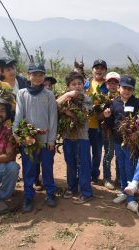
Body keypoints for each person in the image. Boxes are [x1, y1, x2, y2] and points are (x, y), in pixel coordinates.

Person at [13, 63, 58, 212]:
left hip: (45, 140)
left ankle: (50, 193)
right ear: (28, 75)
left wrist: (51, 139)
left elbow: (53, 118)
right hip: (29, 139)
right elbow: (19, 114)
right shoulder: (22, 93)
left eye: (41, 75)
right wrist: (17, 132)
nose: (38, 78)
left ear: (44, 76)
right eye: (35, 74)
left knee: (47, 168)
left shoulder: (49, 95)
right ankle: (28, 196)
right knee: (29, 169)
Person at [103, 75, 139, 211]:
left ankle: (131, 199)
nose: (127, 91)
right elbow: (110, 124)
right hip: (117, 141)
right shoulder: (114, 103)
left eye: (130, 89)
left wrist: (137, 133)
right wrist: (107, 117)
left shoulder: (138, 103)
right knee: (121, 167)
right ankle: (123, 192)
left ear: (133, 90)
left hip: (131, 144)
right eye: (124, 88)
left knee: (130, 167)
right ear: (119, 88)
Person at [57, 72, 94, 204]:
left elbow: (82, 116)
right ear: (68, 86)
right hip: (68, 137)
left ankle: (86, 192)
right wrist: (66, 96)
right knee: (70, 163)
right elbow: (54, 106)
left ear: (83, 84)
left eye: (79, 83)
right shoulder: (64, 98)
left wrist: (67, 112)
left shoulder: (87, 99)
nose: (77, 86)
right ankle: (72, 187)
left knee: (83, 164)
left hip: (82, 137)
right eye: (73, 84)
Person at [85, 59, 108, 184]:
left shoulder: (108, 85)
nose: (99, 70)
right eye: (96, 68)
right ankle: (86, 173)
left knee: (97, 152)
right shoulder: (86, 83)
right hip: (86, 124)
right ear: (92, 70)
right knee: (85, 151)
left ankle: (95, 174)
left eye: (102, 68)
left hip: (99, 126)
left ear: (105, 71)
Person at [102, 72, 121, 190]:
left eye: (115, 82)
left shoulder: (122, 97)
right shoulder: (101, 98)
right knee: (109, 154)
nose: (113, 85)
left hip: (120, 133)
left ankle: (119, 177)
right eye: (110, 82)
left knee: (120, 156)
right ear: (106, 83)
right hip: (108, 132)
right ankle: (107, 177)